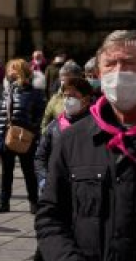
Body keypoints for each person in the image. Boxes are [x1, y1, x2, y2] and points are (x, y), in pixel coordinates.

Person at [35, 30, 136, 261]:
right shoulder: (74, 139)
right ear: (99, 74)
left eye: (129, 63)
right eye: (110, 64)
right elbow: (50, 217)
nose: (119, 72)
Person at [32, 77, 93, 261]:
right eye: (65, 95)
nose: (68, 100)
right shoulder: (55, 126)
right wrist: (44, 180)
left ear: (86, 99)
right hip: (56, 190)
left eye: (73, 95)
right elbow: (40, 157)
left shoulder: (93, 127)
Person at [0, 58, 45, 214]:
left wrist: (32, 131)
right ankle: (4, 202)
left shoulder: (34, 93)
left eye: (14, 69)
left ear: (23, 72)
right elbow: (0, 112)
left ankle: (34, 202)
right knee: (6, 172)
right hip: (5, 136)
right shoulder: (7, 91)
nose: (11, 72)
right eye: (9, 69)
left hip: (25, 137)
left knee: (29, 171)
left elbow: (40, 114)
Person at [40, 61, 83, 133]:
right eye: (62, 80)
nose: (64, 83)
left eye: (68, 80)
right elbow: (45, 122)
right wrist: (46, 138)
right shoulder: (55, 98)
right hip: (59, 139)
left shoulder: (87, 97)